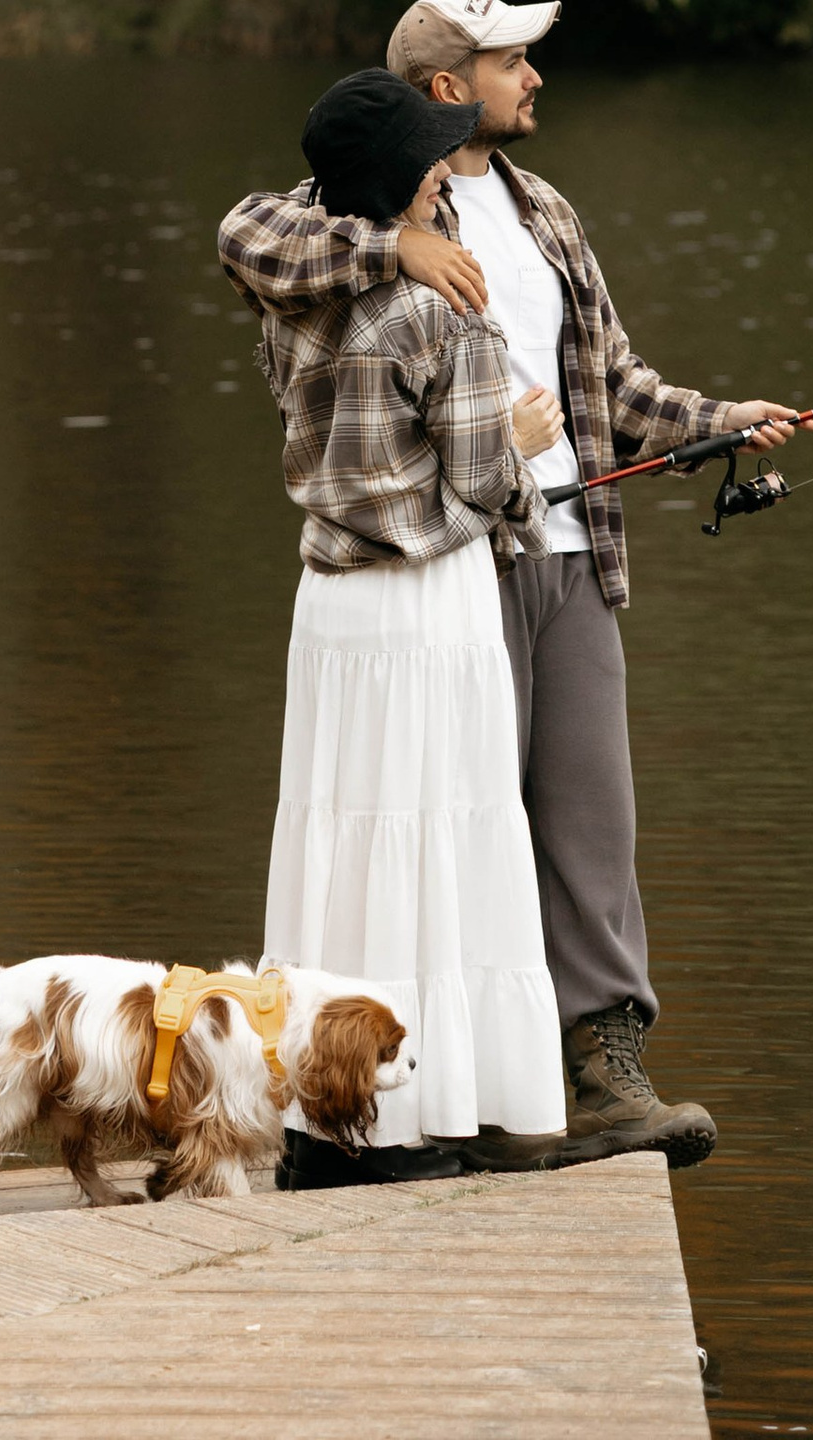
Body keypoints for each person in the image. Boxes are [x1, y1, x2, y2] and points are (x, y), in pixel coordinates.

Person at [221, 0, 795, 1164]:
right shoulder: (359, 205)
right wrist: (397, 244)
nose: (535, 78)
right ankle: (435, 1086)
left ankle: (597, 1068)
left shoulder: (547, 216)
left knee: (590, 820)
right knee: (460, 833)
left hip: (572, 556)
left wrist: (714, 419)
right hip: (453, 566)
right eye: (513, 61)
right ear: (447, 88)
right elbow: (244, 242)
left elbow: (612, 381)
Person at [250, 68, 569, 1185]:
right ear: (408, 181)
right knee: (440, 835)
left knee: (341, 845)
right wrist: (528, 453)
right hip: (431, 609)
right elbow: (485, 486)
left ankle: (317, 1119)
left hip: (330, 611)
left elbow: (256, 227)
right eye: (434, 156)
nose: (450, 166)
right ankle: (415, 1117)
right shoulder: (451, 309)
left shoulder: (294, 288)